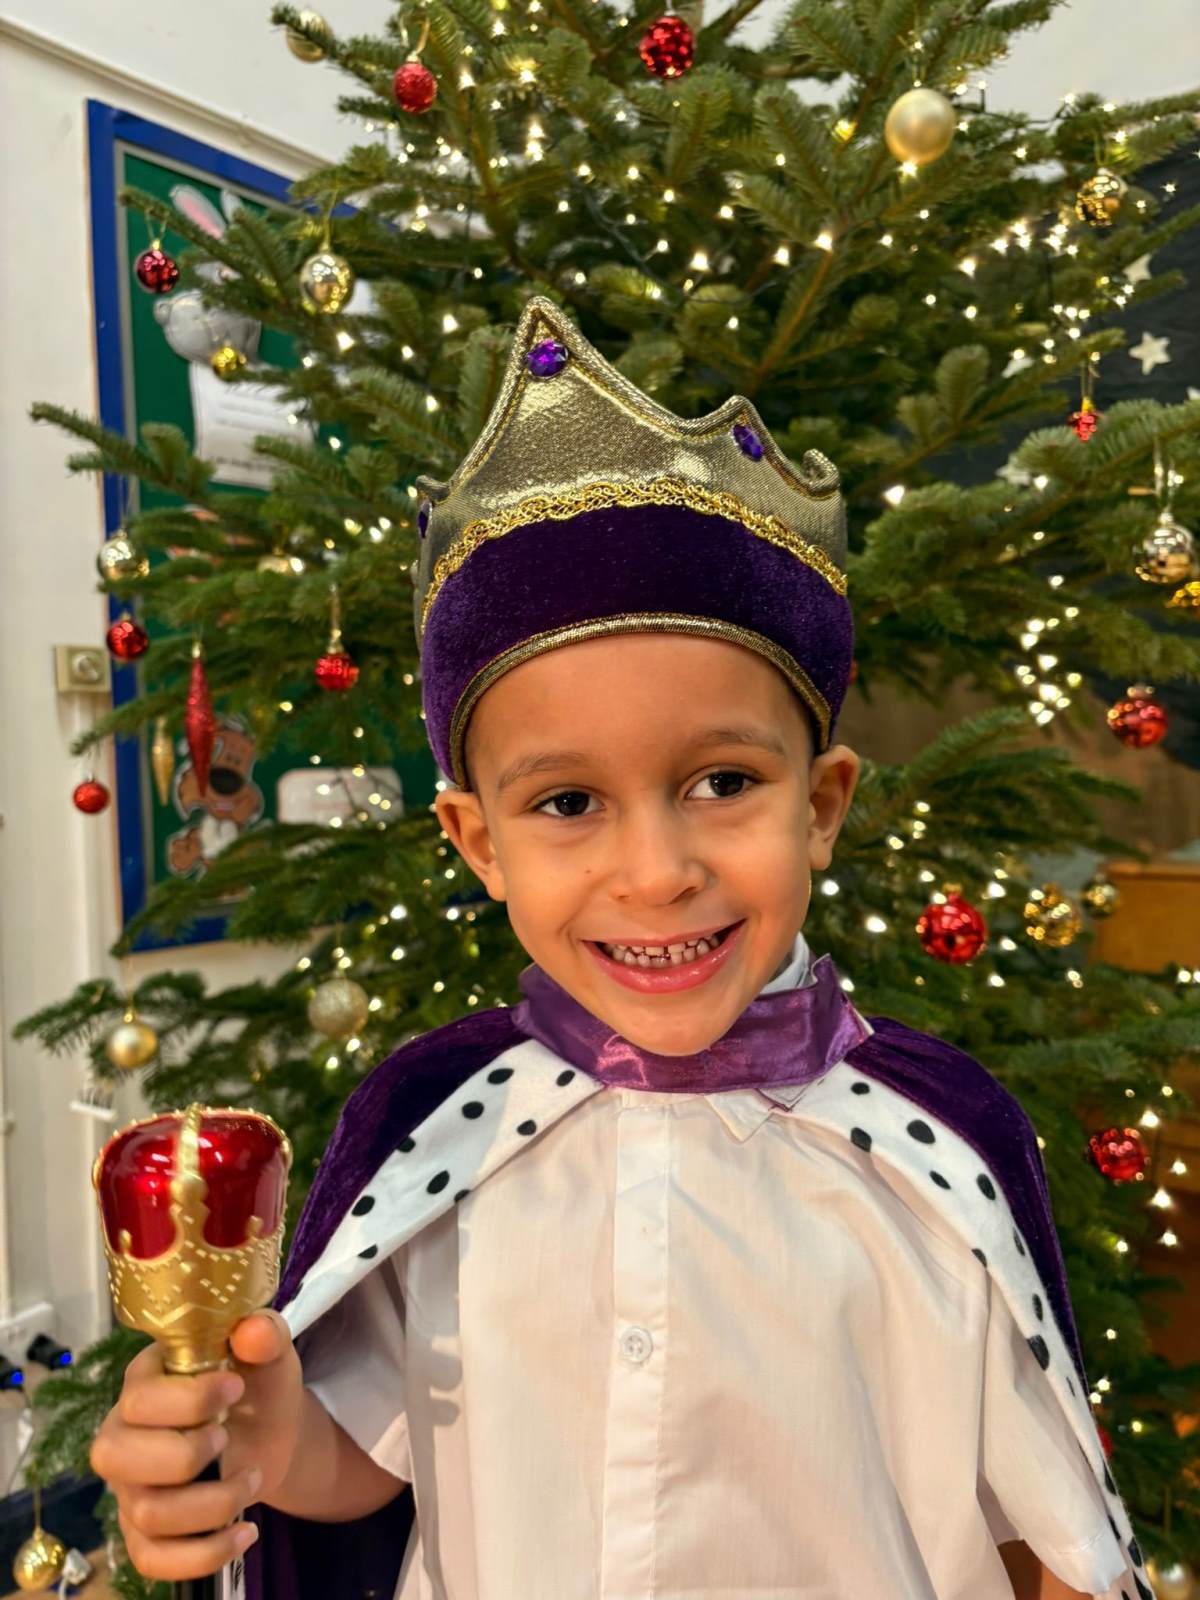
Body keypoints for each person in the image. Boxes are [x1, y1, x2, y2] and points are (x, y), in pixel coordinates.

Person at [91, 295, 1155, 1600]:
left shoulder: (937, 1155)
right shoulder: (435, 1137)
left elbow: (1054, 1545)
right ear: (479, 843)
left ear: (821, 805)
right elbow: (363, 1459)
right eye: (567, 803)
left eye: (723, 783)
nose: (657, 874)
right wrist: (255, 1446)